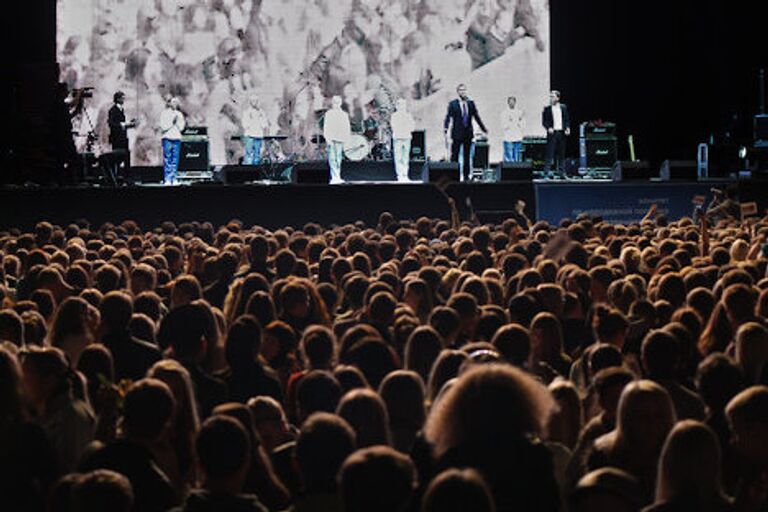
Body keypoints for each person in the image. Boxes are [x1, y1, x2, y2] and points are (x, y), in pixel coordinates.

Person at [444, 84, 488, 181]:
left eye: (464, 90)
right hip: (456, 133)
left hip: (467, 133)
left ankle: (466, 176)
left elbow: (476, 117)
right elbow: (448, 117)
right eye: (460, 90)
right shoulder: (453, 104)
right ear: (457, 92)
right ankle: (454, 176)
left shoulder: (470, 103)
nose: (462, 92)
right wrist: (446, 128)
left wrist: (484, 129)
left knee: (467, 156)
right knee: (455, 155)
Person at [542, 90, 570, 178]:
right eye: (550, 96)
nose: (551, 98)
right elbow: (544, 121)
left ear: (558, 98)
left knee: (561, 154)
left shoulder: (563, 107)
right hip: (552, 133)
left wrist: (567, 128)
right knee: (550, 153)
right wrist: (548, 128)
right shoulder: (547, 109)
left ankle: (562, 173)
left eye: (553, 96)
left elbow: (566, 119)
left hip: (561, 133)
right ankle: (546, 173)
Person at [323, 96, 350, 184]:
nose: (336, 104)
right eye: (335, 102)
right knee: (332, 158)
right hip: (332, 138)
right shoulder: (329, 113)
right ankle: (334, 176)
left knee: (338, 158)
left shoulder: (344, 114)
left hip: (340, 138)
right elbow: (326, 127)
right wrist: (327, 138)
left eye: (338, 102)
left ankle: (337, 175)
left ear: (340, 103)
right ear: (332, 103)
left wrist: (346, 138)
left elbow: (347, 127)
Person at [159, 96, 186, 185]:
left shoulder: (179, 114)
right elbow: (163, 126)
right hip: (167, 138)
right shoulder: (164, 113)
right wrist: (172, 122)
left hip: (176, 138)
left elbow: (181, 127)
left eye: (176, 102)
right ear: (169, 103)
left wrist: (177, 122)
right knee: (167, 159)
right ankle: (167, 179)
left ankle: (174, 178)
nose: (175, 104)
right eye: (173, 102)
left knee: (175, 159)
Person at [107, 91, 136, 170]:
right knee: (118, 157)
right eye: (122, 98)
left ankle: (126, 177)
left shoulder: (121, 109)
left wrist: (129, 124)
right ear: (118, 99)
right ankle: (117, 175)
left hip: (123, 138)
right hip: (116, 138)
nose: (124, 100)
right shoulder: (113, 110)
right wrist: (124, 124)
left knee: (126, 157)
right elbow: (112, 123)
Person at [390, 98, 415, 182]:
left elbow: (412, 126)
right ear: (397, 106)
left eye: (403, 104)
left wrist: (407, 130)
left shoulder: (408, 115)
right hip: (398, 138)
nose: (402, 106)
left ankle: (405, 174)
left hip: (406, 137)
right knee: (398, 157)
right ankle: (400, 175)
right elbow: (394, 127)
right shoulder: (394, 116)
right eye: (400, 104)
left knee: (405, 157)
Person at [242, 93, 269, 165]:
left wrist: (260, 117)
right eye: (252, 100)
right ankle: (248, 170)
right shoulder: (246, 112)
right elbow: (245, 125)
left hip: (258, 135)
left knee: (257, 155)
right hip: (249, 136)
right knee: (249, 154)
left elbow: (265, 124)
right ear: (250, 102)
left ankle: (256, 170)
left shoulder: (261, 112)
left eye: (256, 100)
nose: (254, 102)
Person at [501, 96, 525, 162]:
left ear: (515, 102)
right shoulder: (504, 113)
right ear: (508, 103)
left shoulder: (519, 112)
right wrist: (512, 121)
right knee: (508, 155)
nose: (511, 103)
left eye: (513, 102)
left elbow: (522, 125)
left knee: (517, 155)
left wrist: (518, 120)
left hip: (517, 136)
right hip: (508, 137)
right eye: (510, 102)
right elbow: (504, 125)